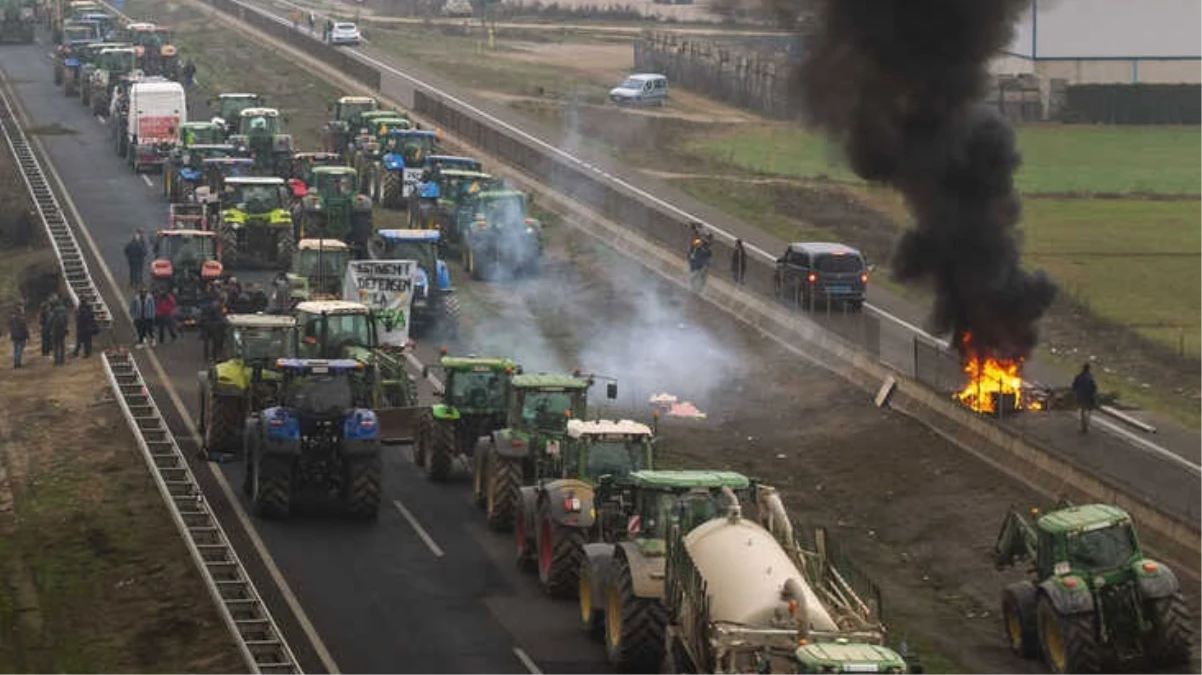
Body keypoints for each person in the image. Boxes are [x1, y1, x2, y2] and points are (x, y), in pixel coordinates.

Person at [1072, 363, 1098, 434]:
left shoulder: (1079, 376)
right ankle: (1086, 426)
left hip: (1080, 396)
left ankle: (1083, 426)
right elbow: (1094, 388)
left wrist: (1075, 393)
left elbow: (1074, 387)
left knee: (1082, 411)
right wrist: (1094, 395)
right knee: (1088, 412)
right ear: (1089, 369)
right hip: (1088, 396)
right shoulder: (1091, 377)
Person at [48, 297, 68, 366]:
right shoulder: (64, 311)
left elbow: (50, 321)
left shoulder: (53, 311)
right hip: (62, 330)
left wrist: (49, 329)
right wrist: (65, 327)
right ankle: (62, 360)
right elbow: (66, 320)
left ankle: (56, 360)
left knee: (55, 345)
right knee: (62, 345)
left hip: (55, 330)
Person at [9, 302, 28, 369]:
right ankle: (18, 363)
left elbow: (11, 326)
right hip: (21, 335)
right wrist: (27, 336)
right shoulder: (21, 317)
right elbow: (24, 328)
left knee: (16, 349)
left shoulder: (12, 317)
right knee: (19, 349)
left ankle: (16, 362)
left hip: (14, 335)